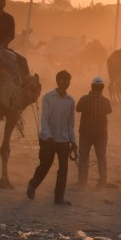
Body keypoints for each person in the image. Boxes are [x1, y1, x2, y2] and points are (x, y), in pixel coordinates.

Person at [27, 70, 77, 205]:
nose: (66, 83)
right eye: (63, 80)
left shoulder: (71, 101)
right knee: (45, 165)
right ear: (57, 81)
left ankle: (59, 197)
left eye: (68, 80)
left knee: (63, 169)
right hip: (48, 140)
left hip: (63, 141)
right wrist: (48, 137)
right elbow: (44, 120)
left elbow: (71, 124)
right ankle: (33, 184)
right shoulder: (48, 98)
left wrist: (73, 142)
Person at [75, 76, 113, 187]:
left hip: (85, 133)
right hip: (101, 134)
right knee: (101, 158)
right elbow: (109, 111)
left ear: (92, 87)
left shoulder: (84, 99)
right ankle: (102, 180)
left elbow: (78, 109)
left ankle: (82, 180)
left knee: (83, 157)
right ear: (102, 88)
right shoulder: (106, 101)